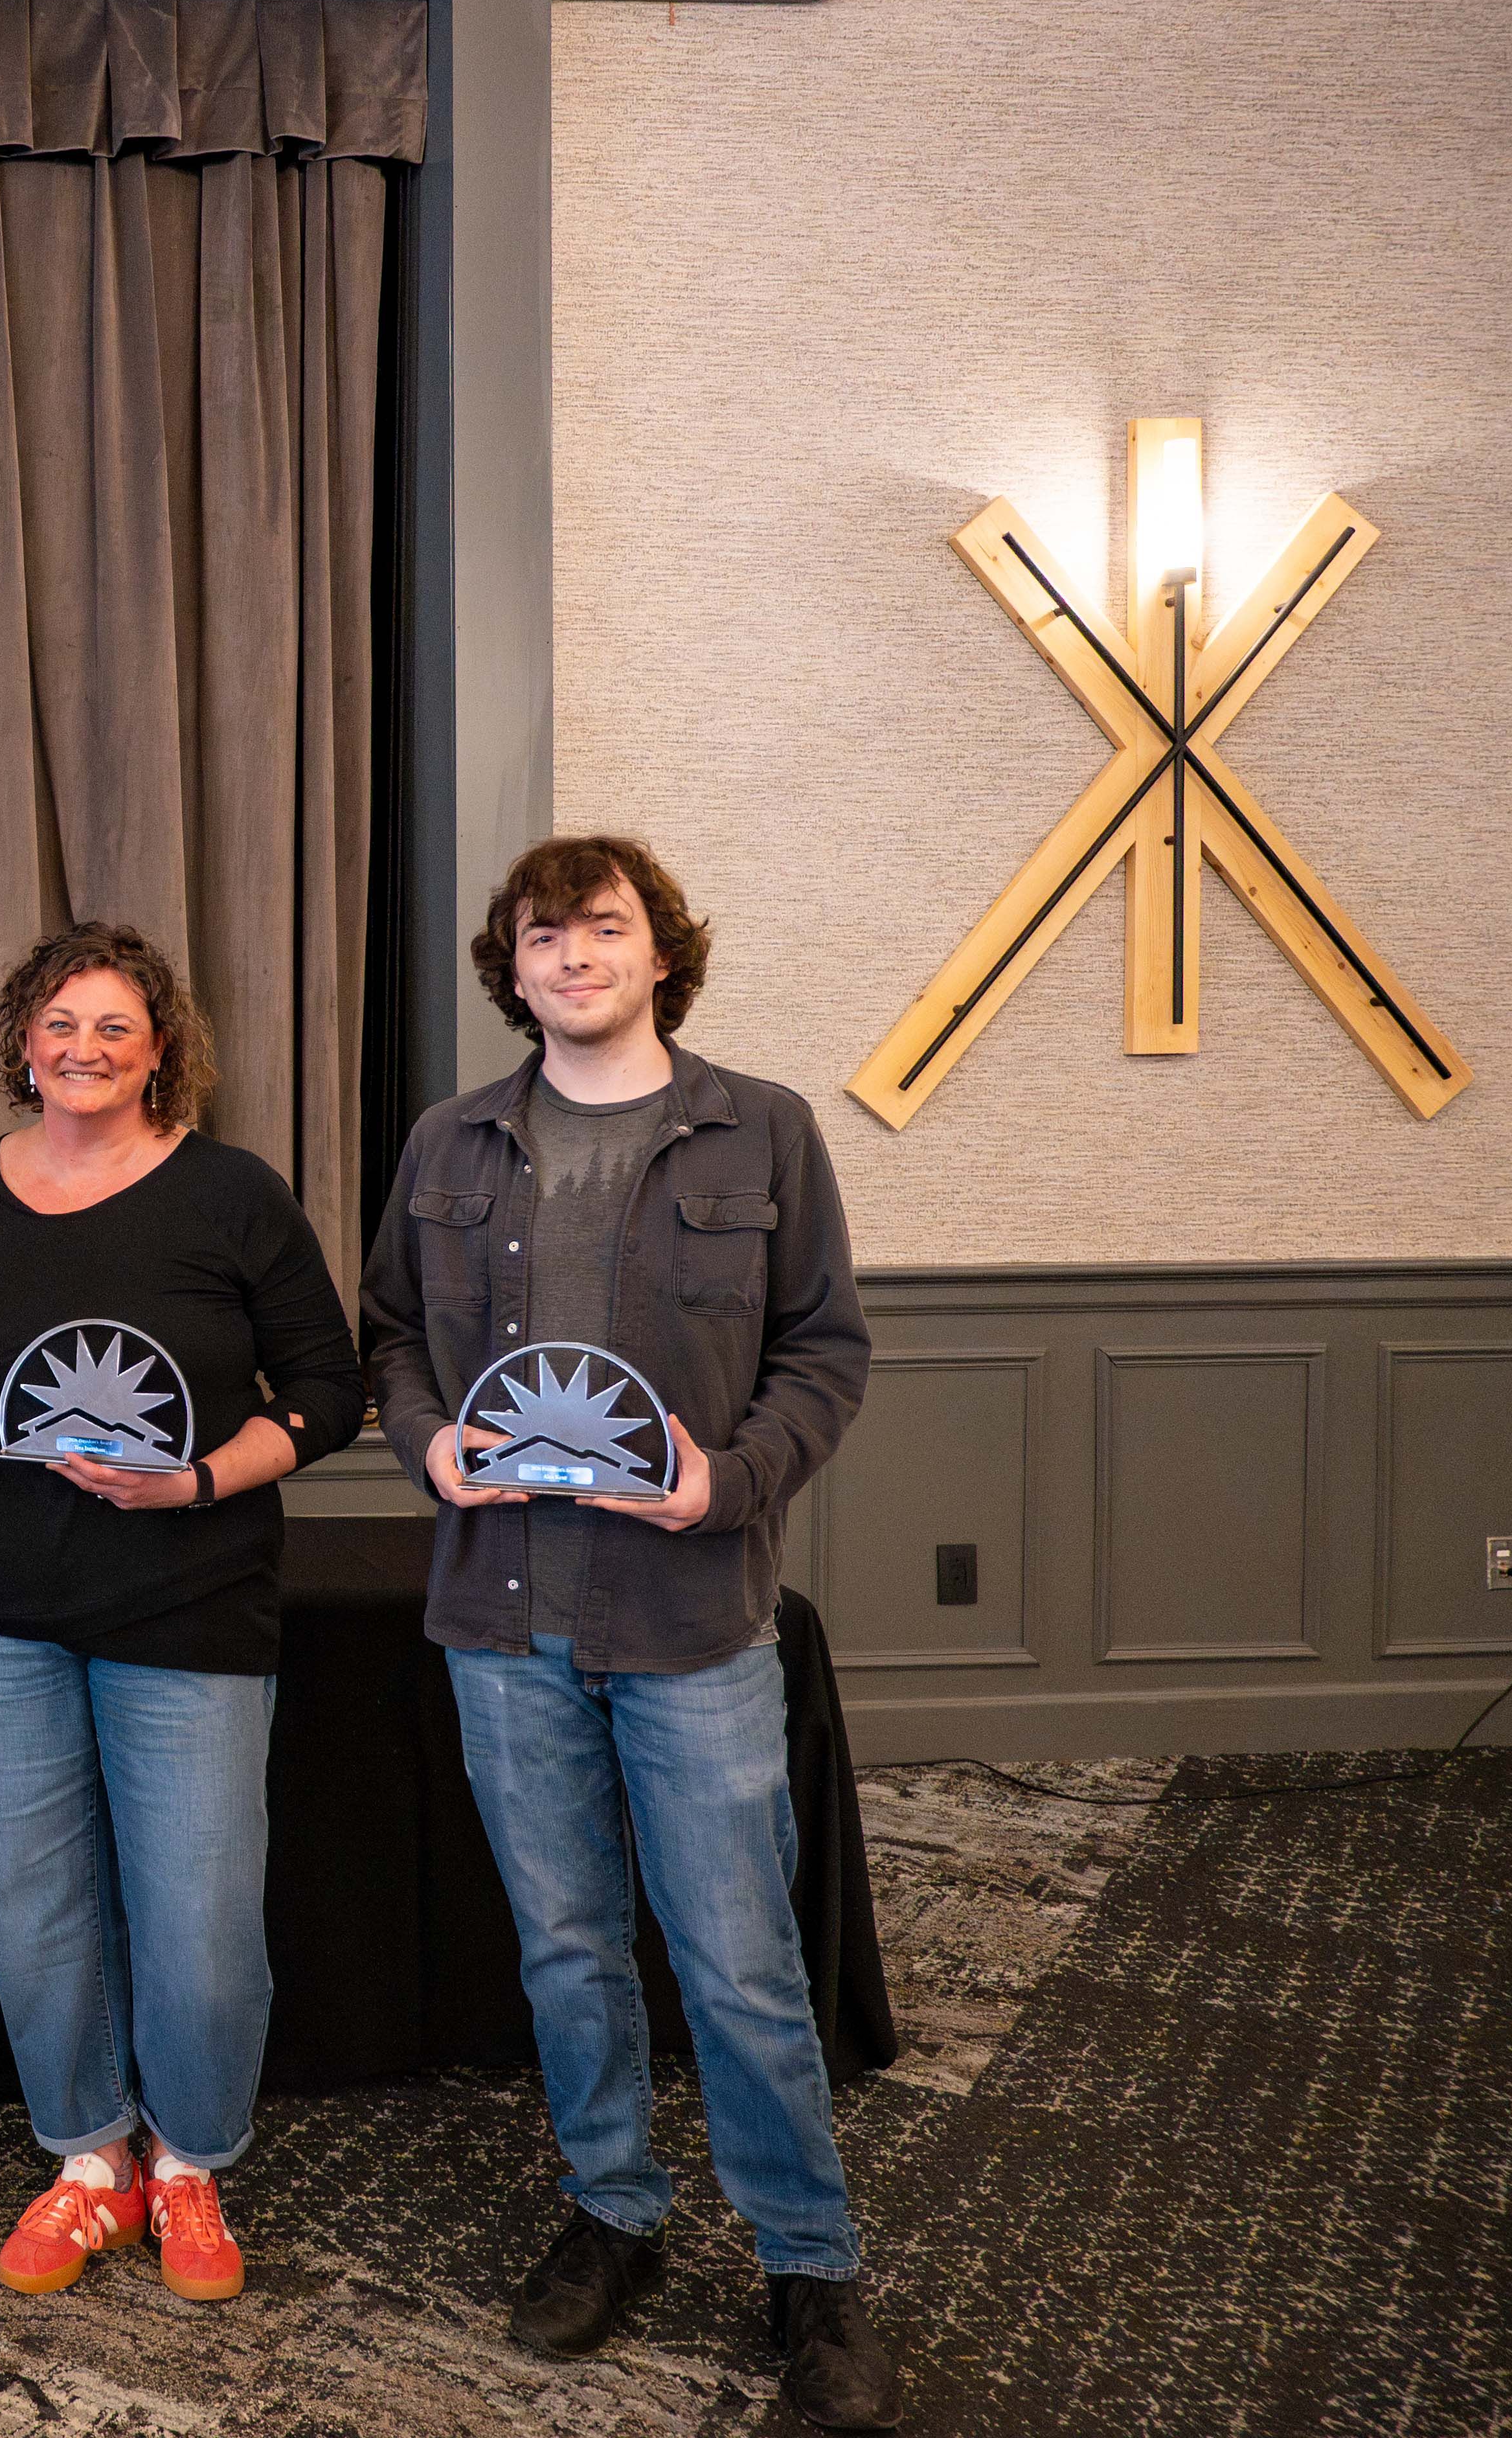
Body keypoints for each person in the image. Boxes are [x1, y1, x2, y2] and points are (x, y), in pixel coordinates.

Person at [358, 834, 900, 2433]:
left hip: (691, 1615)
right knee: (569, 1947)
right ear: (510, 971)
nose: (573, 956)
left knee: (740, 1965)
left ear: (661, 951)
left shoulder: (766, 1134)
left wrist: (728, 1483)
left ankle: (811, 2266)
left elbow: (826, 1352)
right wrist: (427, 1444)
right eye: (542, 937)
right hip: (501, 1613)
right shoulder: (449, 1145)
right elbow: (395, 1335)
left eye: (605, 928)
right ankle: (613, 2212)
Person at [0, 923, 363, 2307]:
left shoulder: (230, 1198)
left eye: (114, 1027)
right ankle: (90, 2164)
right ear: (20, 1043)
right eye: (59, 1023)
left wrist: (200, 1478)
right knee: (36, 1912)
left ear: (162, 1050)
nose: (84, 1048)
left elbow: (330, 1391)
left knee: (200, 1918)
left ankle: (191, 2163)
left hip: (191, 1608)